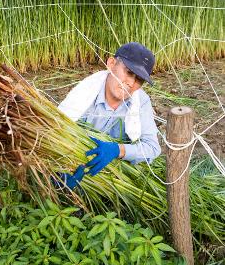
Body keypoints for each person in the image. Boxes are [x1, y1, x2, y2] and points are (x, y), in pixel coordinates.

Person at [57, 42, 161, 189]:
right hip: (75, 162)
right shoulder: (83, 95)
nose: (131, 83)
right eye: (129, 72)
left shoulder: (141, 101)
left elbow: (152, 148)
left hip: (115, 178)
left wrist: (118, 150)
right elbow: (57, 130)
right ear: (111, 64)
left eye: (139, 79)